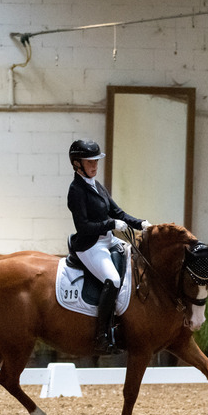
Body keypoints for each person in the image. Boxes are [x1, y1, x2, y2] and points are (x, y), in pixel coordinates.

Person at [66, 139, 151, 353]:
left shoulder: (96, 185)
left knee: (136, 256)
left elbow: (118, 213)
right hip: (89, 245)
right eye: (90, 161)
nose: (95, 165)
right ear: (77, 164)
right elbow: (83, 226)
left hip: (107, 239)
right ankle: (102, 335)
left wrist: (140, 223)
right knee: (112, 280)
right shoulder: (76, 190)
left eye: (96, 161)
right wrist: (111, 224)